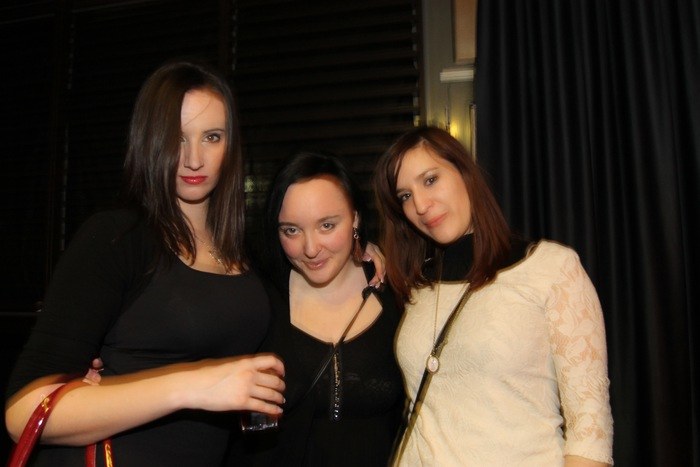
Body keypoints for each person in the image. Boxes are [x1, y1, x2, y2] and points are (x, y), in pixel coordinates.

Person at [4, 60, 286, 465]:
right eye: (176, 138)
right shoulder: (118, 237)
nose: (194, 158)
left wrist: (363, 255)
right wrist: (193, 385)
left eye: (211, 137)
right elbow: (23, 412)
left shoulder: (245, 254)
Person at [373, 127, 614, 466]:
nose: (421, 205)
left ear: (464, 172)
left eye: (430, 180)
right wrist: (363, 250)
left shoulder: (550, 268)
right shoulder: (417, 287)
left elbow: (590, 430)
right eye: (405, 196)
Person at [229, 152, 405, 466]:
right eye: (291, 230)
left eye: (327, 225)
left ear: (355, 218)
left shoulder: (396, 293)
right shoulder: (257, 300)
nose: (310, 249)